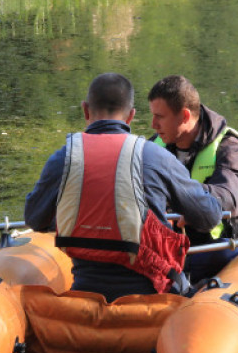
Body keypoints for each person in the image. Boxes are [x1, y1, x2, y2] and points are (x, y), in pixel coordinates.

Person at [25, 73, 222, 301]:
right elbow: (210, 216)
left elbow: (34, 218)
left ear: (85, 110)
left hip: (85, 293)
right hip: (150, 299)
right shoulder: (156, 156)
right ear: (130, 116)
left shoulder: (63, 158)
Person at [147, 75, 238, 281]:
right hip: (171, 245)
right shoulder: (154, 146)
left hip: (216, 249)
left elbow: (229, 197)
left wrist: (189, 204)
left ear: (184, 116)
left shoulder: (229, 148)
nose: (153, 124)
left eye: (160, 117)